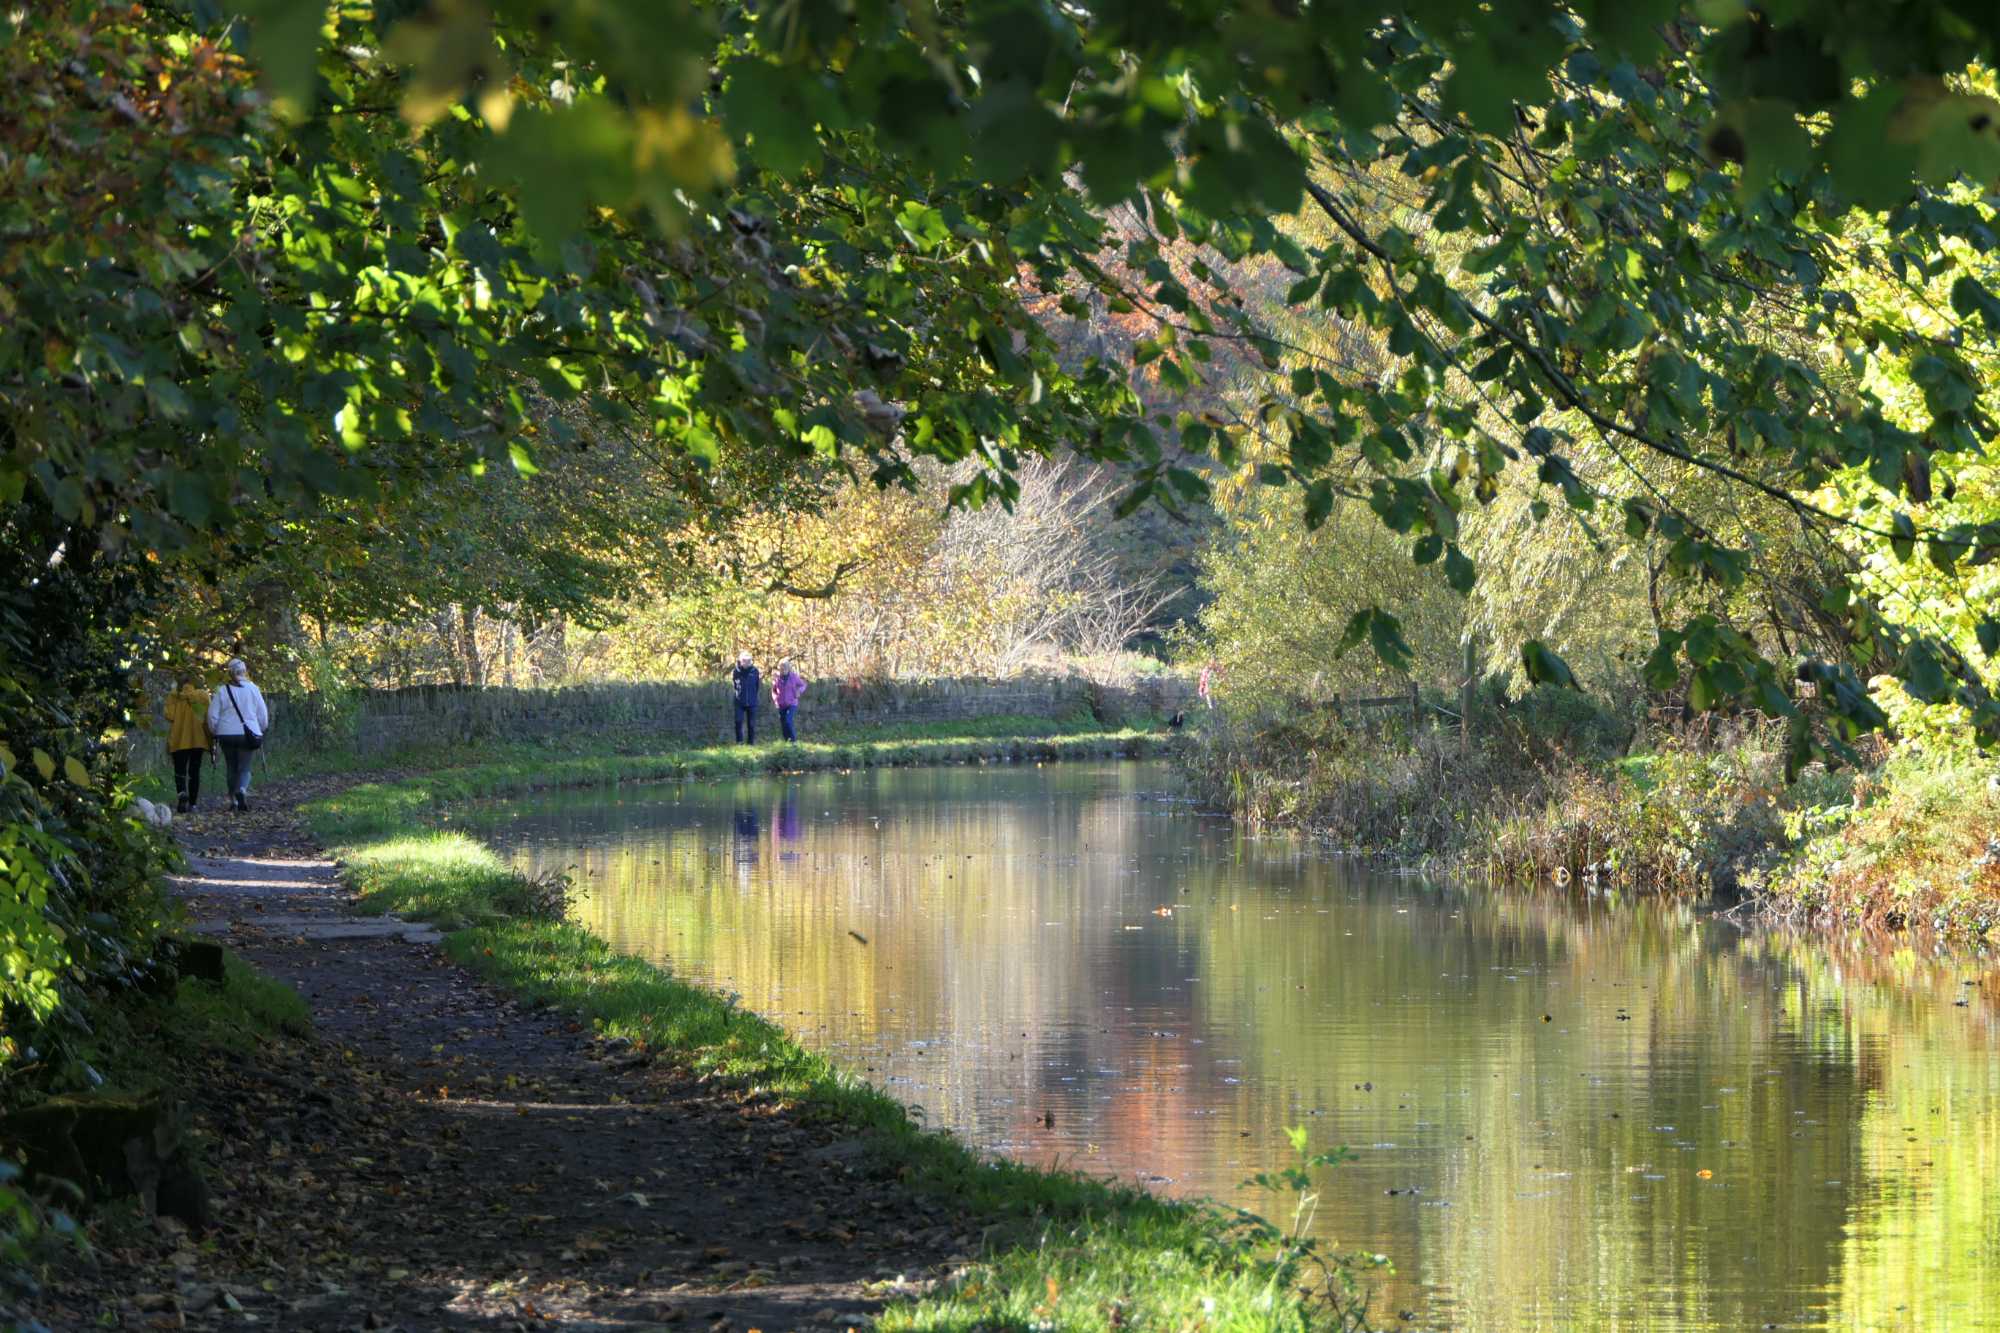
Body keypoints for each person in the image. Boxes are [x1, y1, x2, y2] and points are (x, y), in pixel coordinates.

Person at [206, 658, 270, 811]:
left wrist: (215, 731)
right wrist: (260, 728)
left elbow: (212, 715)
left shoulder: (222, 690)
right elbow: (262, 714)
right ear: (244, 671)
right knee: (244, 767)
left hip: (226, 733)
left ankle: (233, 800)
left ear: (230, 673)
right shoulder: (253, 689)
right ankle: (241, 790)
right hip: (247, 734)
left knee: (231, 767)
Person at [163, 673, 213, 813]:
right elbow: (209, 715)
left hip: (179, 738)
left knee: (179, 770)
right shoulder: (203, 696)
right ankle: (193, 803)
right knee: (194, 771)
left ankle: (182, 796)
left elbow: (169, 716)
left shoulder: (174, 696)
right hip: (198, 739)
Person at [770, 658, 808, 742]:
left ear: (788, 668)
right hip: (781, 704)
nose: (783, 671)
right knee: (783, 723)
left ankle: (793, 741)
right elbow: (773, 691)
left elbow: (803, 685)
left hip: (792, 703)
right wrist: (775, 699)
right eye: (781, 669)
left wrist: (799, 691)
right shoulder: (777, 678)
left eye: (784, 669)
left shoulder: (793, 677)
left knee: (788, 720)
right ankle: (787, 741)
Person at [730, 651, 761, 744]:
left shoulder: (755, 671)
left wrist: (753, 696)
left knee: (751, 724)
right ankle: (739, 742)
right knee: (738, 722)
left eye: (748, 661)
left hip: (752, 701)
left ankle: (751, 743)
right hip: (739, 701)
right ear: (740, 661)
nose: (746, 663)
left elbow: (757, 685)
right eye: (744, 661)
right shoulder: (736, 671)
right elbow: (735, 684)